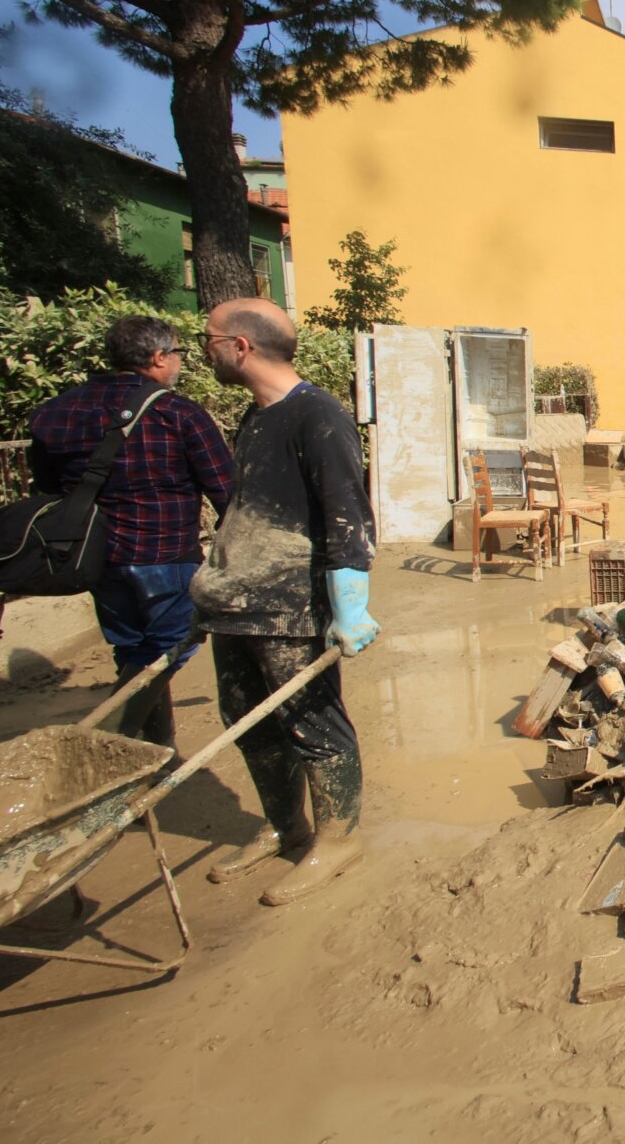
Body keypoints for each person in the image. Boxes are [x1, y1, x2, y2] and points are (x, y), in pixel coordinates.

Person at [190, 297, 380, 906]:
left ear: (240, 346)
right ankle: (283, 824)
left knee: (311, 722)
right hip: (238, 600)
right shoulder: (256, 417)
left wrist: (349, 607)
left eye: (210, 339)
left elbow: (346, 514)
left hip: (291, 605)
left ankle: (340, 836)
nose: (205, 348)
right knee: (246, 718)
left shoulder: (318, 416)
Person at [27, 316, 234, 745]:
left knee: (133, 651)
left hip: (96, 557)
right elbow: (227, 491)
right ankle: (110, 740)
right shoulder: (178, 413)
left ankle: (152, 754)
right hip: (165, 555)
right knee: (169, 648)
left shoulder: (55, 412)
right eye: (177, 353)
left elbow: (47, 489)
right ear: (158, 357)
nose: (179, 362)